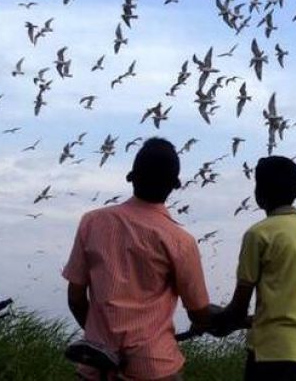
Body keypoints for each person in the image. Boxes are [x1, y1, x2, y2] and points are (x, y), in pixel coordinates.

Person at [62, 137, 211, 381]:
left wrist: (100, 339)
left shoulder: (92, 222)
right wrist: (207, 322)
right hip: (153, 366)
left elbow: (76, 299)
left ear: (132, 177)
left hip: (97, 368)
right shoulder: (180, 241)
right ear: (174, 185)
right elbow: (198, 312)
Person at [214, 155, 296, 381]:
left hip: (272, 355)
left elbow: (237, 310)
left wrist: (215, 319)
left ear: (259, 193)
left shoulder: (259, 234)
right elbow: (289, 311)